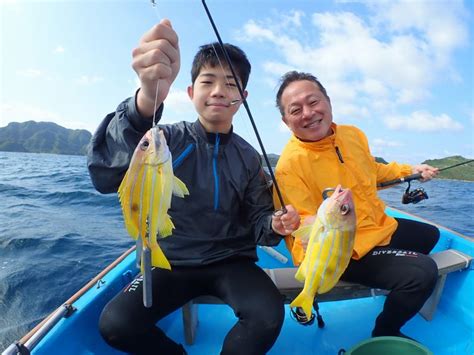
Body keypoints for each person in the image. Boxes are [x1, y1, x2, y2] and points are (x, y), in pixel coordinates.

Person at [87, 20, 300, 355]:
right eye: (208, 81)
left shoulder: (249, 158)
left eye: (230, 84)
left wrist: (273, 223)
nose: (218, 91)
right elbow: (104, 175)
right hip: (170, 260)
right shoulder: (163, 138)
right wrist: (144, 100)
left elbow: (260, 221)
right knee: (116, 325)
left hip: (232, 261)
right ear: (190, 92)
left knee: (268, 315)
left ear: (242, 98)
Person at [273, 71, 440, 340]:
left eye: (313, 102)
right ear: (286, 121)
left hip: (375, 227)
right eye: (296, 109)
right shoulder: (288, 166)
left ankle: (390, 278)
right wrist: (306, 225)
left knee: (430, 236)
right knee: (423, 273)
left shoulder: (352, 135)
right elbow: (300, 219)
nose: (308, 113)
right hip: (341, 250)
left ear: (328, 102)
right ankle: (385, 330)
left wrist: (412, 170)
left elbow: (372, 171)